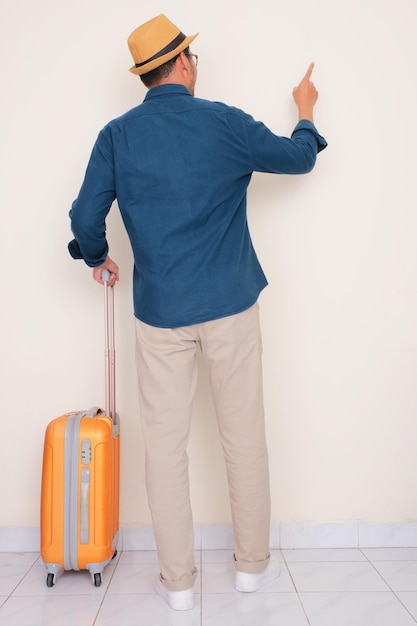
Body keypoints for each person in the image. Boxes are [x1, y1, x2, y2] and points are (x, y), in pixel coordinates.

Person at [68, 13, 327, 611]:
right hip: (231, 305)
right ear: (183, 62)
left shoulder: (117, 135)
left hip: (160, 313)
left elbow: (85, 220)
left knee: (164, 449)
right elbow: (298, 158)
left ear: (145, 75)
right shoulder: (225, 122)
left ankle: (178, 585)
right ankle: (251, 571)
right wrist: (307, 110)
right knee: (244, 439)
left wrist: (98, 257)